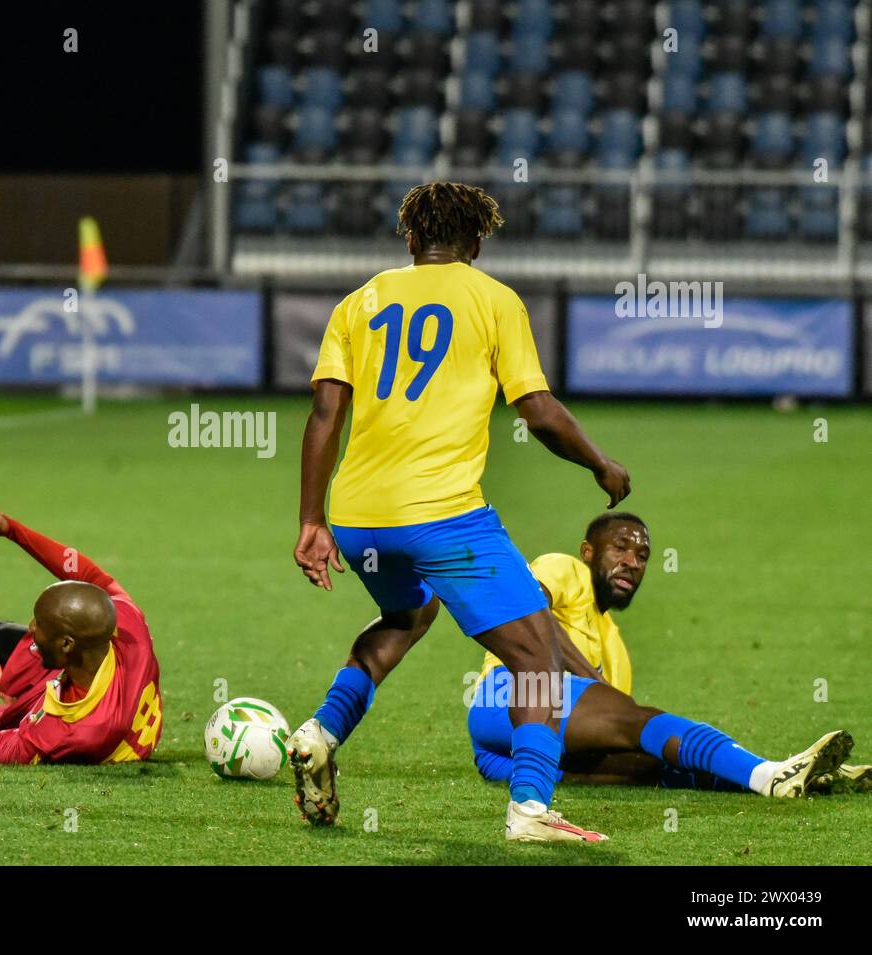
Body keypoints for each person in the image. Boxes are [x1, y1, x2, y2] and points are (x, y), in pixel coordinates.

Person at [288, 181, 631, 842]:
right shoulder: (495, 299)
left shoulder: (359, 301)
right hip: (444, 515)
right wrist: (600, 463)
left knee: (406, 614)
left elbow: (325, 414)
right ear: (477, 242)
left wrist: (312, 519)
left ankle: (321, 732)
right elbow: (537, 411)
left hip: (360, 518)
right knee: (537, 655)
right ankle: (531, 807)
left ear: (411, 239)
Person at [468, 512, 863, 796]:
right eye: (619, 548)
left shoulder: (617, 649)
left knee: (650, 763)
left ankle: (802, 779)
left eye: (642, 557)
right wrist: (595, 680)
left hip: (512, 755)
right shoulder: (565, 570)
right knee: (642, 721)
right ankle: (768, 773)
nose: (631, 562)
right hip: (505, 696)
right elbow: (527, 611)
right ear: (588, 552)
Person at [0, 504, 162, 765]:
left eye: (40, 624)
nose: (32, 626)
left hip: (78, 712)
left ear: (67, 644)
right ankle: (11, 686)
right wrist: (10, 529)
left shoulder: (67, 731)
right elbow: (91, 578)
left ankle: (9, 691)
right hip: (86, 678)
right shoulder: (128, 624)